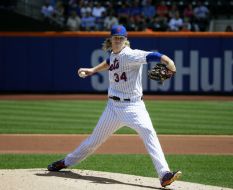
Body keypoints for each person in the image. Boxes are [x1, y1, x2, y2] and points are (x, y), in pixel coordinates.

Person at [47, 25, 181, 188]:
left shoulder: (131, 55)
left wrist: (170, 63)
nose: (118, 40)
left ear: (125, 40)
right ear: (110, 39)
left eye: (121, 38)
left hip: (134, 107)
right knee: (93, 141)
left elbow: (156, 56)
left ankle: (164, 174)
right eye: (115, 38)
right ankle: (65, 162)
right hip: (112, 107)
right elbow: (109, 62)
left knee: (148, 133)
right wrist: (92, 70)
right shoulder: (113, 54)